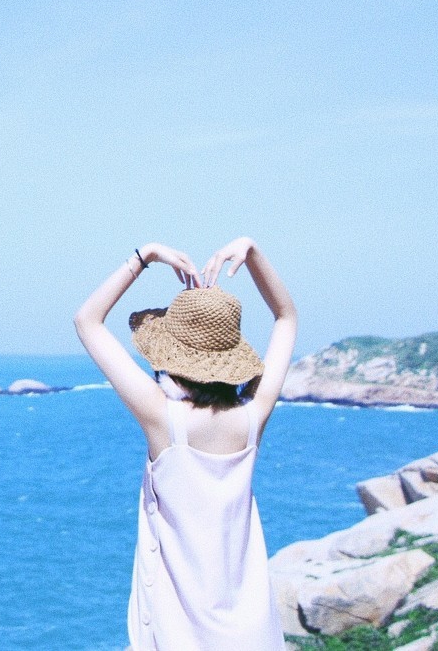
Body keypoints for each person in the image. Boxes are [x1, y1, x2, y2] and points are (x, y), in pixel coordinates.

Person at [73, 238, 298, 650]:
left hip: (179, 635)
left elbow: (88, 320)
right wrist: (252, 252)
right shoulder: (253, 416)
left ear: (172, 353)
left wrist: (146, 255)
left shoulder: (163, 418)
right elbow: (286, 318)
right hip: (252, 630)